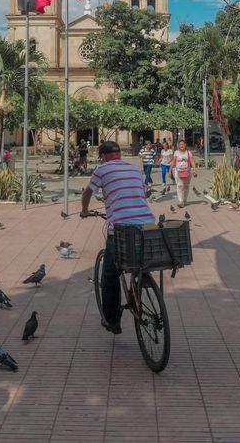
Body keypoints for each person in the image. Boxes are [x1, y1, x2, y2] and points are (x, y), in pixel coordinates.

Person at [81, 141, 155, 334]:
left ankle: (113, 321)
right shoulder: (135, 169)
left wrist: (84, 210)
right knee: (138, 262)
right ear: (119, 154)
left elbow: (88, 192)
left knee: (109, 276)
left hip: (121, 228)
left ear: (103, 156)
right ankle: (141, 282)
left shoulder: (102, 169)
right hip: (148, 225)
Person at [170, 139, 196, 208]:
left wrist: (194, 170)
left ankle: (185, 200)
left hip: (187, 171)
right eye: (180, 144)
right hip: (178, 171)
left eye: (183, 144)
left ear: (185, 145)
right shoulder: (176, 152)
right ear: (178, 146)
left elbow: (192, 161)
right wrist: (170, 171)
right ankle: (181, 201)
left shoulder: (188, 153)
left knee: (186, 186)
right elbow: (173, 162)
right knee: (180, 186)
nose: (181, 146)